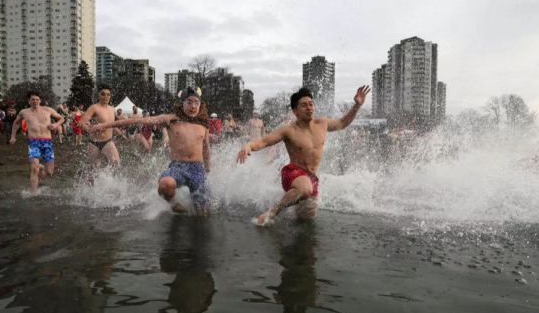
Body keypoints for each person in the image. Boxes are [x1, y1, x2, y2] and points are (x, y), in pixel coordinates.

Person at [237, 86, 370, 226]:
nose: (309, 108)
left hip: (312, 178)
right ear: (295, 111)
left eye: (311, 104)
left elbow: (342, 123)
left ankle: (290, 204)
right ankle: (271, 212)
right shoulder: (288, 130)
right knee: (305, 188)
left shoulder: (322, 124)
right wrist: (248, 146)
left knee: (305, 221)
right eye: (304, 105)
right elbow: (263, 141)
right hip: (292, 173)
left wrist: (357, 105)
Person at [91, 87, 211, 215]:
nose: (193, 106)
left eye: (196, 103)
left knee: (203, 213)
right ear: (182, 104)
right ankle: (174, 204)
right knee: (165, 185)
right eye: (189, 102)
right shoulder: (170, 119)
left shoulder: (203, 125)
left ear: (200, 105)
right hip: (178, 167)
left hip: (197, 169)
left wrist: (208, 169)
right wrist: (104, 125)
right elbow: (138, 120)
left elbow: (206, 149)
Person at [9, 91, 65, 192]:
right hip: (33, 142)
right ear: (29, 101)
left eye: (37, 99)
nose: (35, 101)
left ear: (40, 100)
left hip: (47, 142)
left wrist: (55, 125)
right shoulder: (24, 112)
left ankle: (42, 167)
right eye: (33, 99)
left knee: (49, 171)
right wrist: (13, 137)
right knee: (34, 168)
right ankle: (33, 193)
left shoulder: (47, 110)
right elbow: (16, 123)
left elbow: (61, 118)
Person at [79, 85, 121, 173]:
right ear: (98, 95)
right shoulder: (94, 108)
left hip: (108, 141)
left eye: (108, 94)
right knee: (92, 170)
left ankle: (108, 182)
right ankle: (92, 185)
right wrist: (90, 129)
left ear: (110, 96)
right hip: (94, 143)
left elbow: (112, 125)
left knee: (116, 163)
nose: (106, 97)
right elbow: (82, 122)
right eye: (103, 94)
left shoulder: (112, 109)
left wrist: (120, 133)